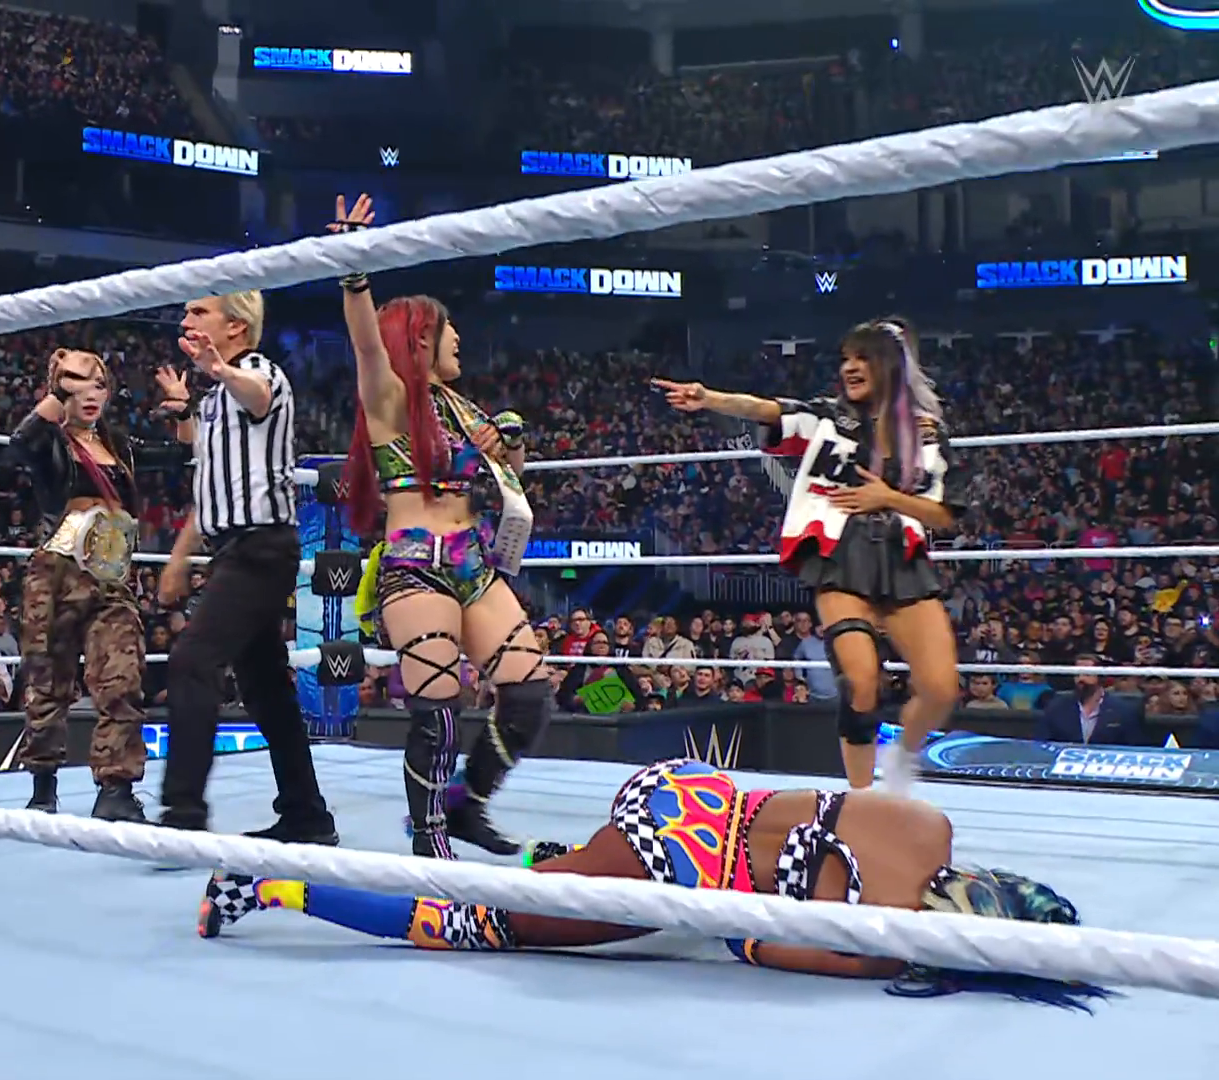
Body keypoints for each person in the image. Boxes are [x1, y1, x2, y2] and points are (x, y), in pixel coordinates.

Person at [197, 756, 1112, 1011]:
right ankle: (270, 885)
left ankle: (558, 861)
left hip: (694, 790)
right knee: (471, 925)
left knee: (545, 883)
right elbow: (750, 942)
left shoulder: (928, 825)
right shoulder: (890, 948)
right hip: (675, 869)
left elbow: (815, 797)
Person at [651, 316, 968, 794]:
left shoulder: (925, 434)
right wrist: (709, 398)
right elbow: (767, 409)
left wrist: (887, 498)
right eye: (846, 359)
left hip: (901, 559)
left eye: (863, 358)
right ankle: (861, 800)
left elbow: (944, 515)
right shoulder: (829, 418)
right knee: (861, 682)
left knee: (941, 689)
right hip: (839, 554)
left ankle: (903, 754)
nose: (850, 368)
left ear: (889, 366)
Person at [332, 193, 548, 859]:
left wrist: (510, 443)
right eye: (450, 330)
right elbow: (366, 344)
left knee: (529, 693)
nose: (461, 340)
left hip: (473, 563)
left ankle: (465, 803)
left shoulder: (458, 405)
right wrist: (353, 267)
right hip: (415, 564)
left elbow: (507, 476)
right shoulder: (392, 397)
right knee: (439, 709)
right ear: (422, 336)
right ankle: (428, 841)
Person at [153, 289, 336, 843]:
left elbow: (258, 397)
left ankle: (183, 813)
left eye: (199, 311)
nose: (186, 319)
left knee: (193, 660)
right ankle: (307, 815)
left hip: (262, 548)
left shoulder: (261, 371)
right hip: (233, 550)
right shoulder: (213, 401)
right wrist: (179, 559)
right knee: (266, 689)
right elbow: (210, 492)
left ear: (235, 326)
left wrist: (218, 370)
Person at [10, 348, 147, 823]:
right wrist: (57, 393)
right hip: (58, 572)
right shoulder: (51, 440)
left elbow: (175, 454)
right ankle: (43, 785)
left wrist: (180, 409)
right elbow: (18, 446)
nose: (88, 393)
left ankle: (115, 789)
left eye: (98, 384)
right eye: (76, 382)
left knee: (122, 676)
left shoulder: (118, 445)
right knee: (48, 679)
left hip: (112, 574)